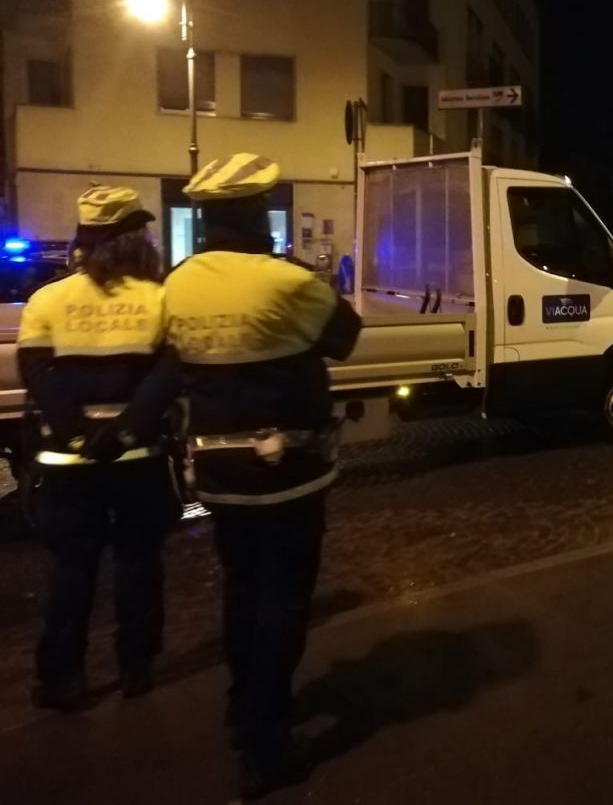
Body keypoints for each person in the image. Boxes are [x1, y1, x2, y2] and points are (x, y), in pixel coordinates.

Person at [163, 152, 362, 799]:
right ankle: (267, 741)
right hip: (289, 472)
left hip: (218, 472)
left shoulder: (178, 283)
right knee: (282, 598)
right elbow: (346, 336)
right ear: (255, 213)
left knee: (241, 590)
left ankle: (241, 703)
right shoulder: (287, 282)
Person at [17, 186, 180, 711]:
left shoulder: (48, 300)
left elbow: (38, 375)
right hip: (139, 461)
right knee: (139, 563)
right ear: (136, 239)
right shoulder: (161, 299)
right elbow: (167, 375)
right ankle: (137, 667)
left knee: (71, 568)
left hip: (68, 464)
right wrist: (127, 430)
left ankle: (61, 677)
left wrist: (78, 434)